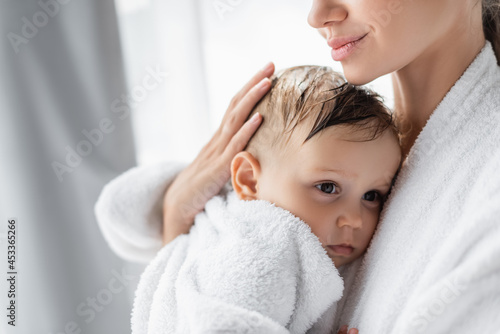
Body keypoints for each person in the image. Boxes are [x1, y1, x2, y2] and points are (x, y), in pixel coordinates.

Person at [95, 0, 500, 332]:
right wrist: (177, 222)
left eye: (373, 197)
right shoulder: (347, 146)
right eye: (326, 188)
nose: (317, 14)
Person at [96, 65, 401, 333]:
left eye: (372, 195)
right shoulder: (263, 251)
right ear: (248, 179)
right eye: (327, 187)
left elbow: (122, 209)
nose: (355, 219)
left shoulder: (230, 214)